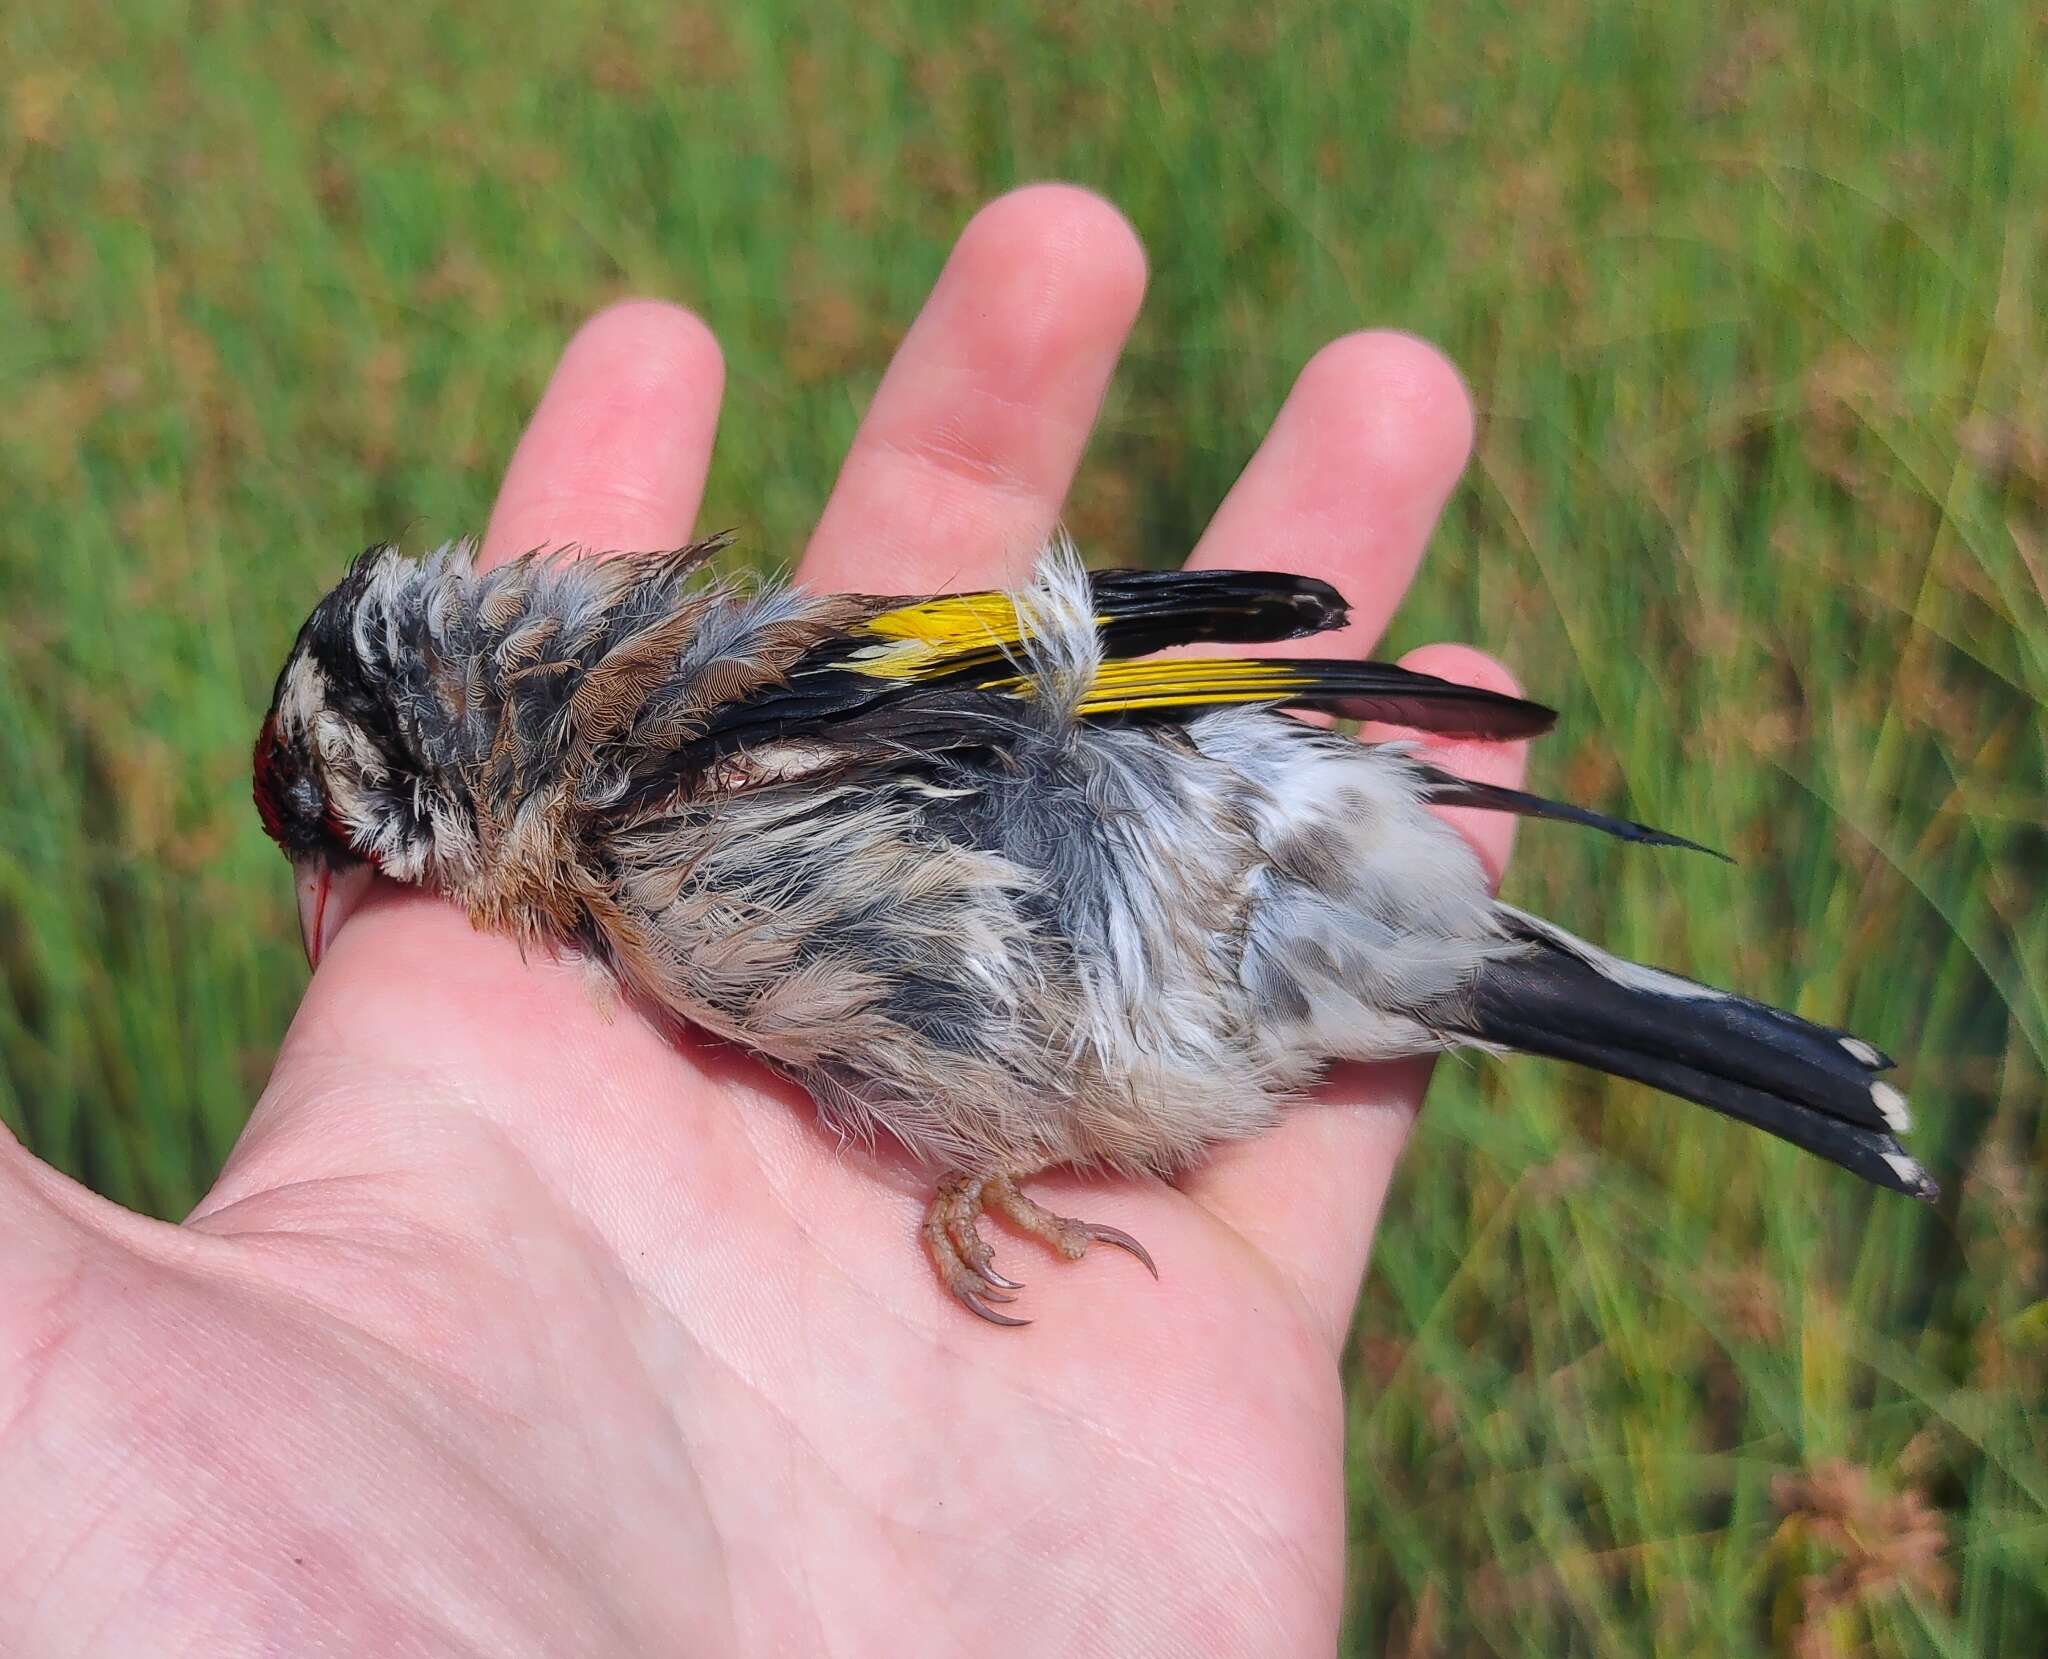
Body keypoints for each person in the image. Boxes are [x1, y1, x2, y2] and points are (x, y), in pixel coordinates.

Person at [0, 185, 1525, 1654]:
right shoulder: (631, 791)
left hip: (1187, 852)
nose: (343, 893)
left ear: (411, 770)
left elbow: (1058, 673)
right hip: (1199, 924)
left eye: (338, 839)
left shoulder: (642, 781)